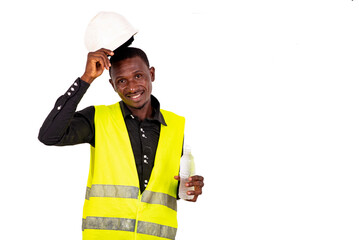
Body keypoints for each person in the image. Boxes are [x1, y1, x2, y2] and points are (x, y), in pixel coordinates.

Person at [38, 46, 204, 240]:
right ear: (112, 85)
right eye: (122, 81)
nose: (132, 87)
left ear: (152, 74)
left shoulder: (175, 125)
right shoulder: (98, 119)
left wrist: (188, 189)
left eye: (138, 76)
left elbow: (163, 188)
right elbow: (49, 135)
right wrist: (86, 79)